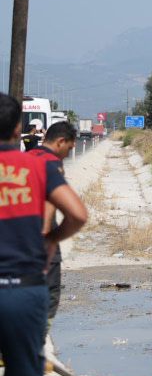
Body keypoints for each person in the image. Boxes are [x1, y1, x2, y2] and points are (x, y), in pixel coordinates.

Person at [0, 96, 87, 376]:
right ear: (19, 129)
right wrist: (49, 241)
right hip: (24, 290)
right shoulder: (38, 166)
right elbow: (78, 214)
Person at [31, 122, 76, 324]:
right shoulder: (53, 163)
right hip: (41, 230)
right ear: (61, 142)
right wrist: (47, 234)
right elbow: (50, 202)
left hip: (18, 229)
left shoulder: (29, 156)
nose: (68, 153)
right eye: (69, 148)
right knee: (49, 291)